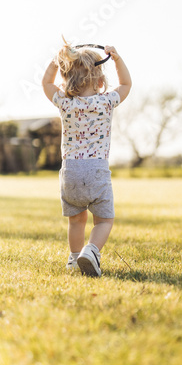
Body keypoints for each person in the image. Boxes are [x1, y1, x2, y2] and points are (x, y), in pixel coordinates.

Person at [42, 38, 132, 276]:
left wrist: (55, 60)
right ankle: (91, 250)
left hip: (70, 171)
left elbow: (46, 83)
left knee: (76, 220)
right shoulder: (106, 102)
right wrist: (117, 59)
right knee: (103, 221)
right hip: (97, 170)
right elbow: (126, 84)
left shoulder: (65, 103)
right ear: (101, 81)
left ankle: (73, 258)